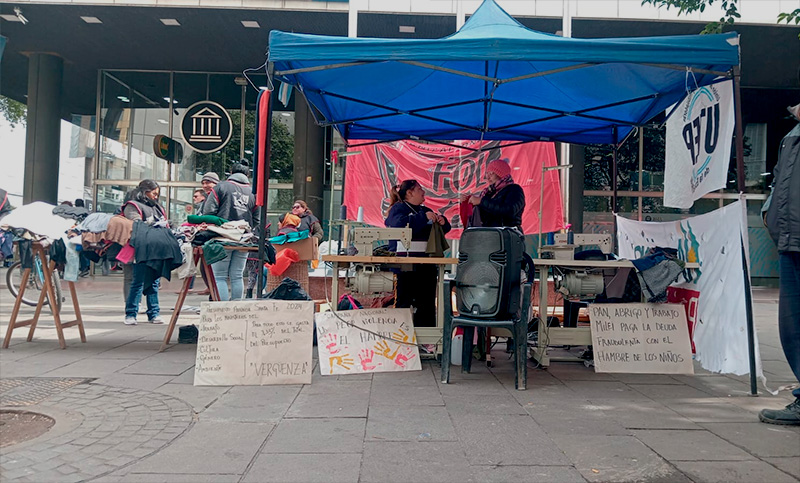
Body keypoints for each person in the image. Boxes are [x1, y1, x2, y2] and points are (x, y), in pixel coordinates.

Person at [760, 102, 800, 426]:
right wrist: (768, 213)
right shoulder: (791, 138)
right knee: (791, 327)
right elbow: (778, 182)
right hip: (789, 242)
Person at [385, 179, 451, 327]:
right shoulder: (398, 209)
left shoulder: (424, 210)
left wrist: (442, 222)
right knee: (403, 301)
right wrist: (422, 218)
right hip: (404, 266)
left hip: (426, 265)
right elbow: (396, 225)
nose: (423, 192)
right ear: (409, 193)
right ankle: (400, 335)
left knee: (426, 302)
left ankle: (427, 339)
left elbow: (444, 229)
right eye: (419, 189)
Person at [202, 162, 259, 301]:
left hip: (222, 237)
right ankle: (235, 311)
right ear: (247, 175)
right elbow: (257, 219)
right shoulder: (253, 192)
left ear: (231, 172)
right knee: (237, 275)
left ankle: (222, 311)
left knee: (220, 276)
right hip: (243, 239)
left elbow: (209, 212)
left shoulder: (220, 187)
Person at [121, 179, 167, 325]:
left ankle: (154, 313)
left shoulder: (157, 207)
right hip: (139, 248)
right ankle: (131, 314)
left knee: (153, 282)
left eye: (157, 194)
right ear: (145, 192)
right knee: (137, 281)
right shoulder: (132, 206)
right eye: (154, 193)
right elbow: (135, 224)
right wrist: (154, 223)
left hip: (155, 248)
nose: (156, 196)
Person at [464, 158, 525, 229]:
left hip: (507, 235)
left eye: (491, 173)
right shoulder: (488, 192)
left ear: (500, 174)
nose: (488, 177)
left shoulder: (514, 189)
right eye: (487, 173)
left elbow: (510, 210)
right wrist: (468, 201)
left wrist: (482, 201)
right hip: (490, 235)